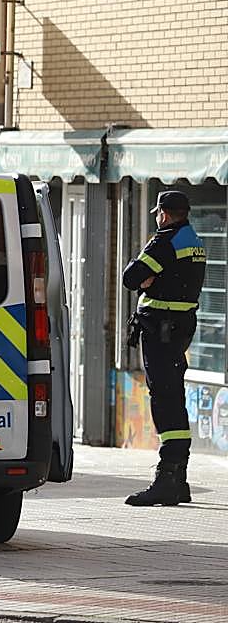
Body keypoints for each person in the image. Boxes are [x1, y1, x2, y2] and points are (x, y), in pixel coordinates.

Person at [121, 189, 206, 506]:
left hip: (162, 330)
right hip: (179, 327)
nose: (157, 217)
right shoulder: (192, 240)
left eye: (158, 213)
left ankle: (167, 477)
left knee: (165, 398)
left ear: (164, 214)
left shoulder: (165, 240)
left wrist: (149, 279)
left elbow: (131, 278)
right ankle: (178, 477)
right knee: (173, 396)